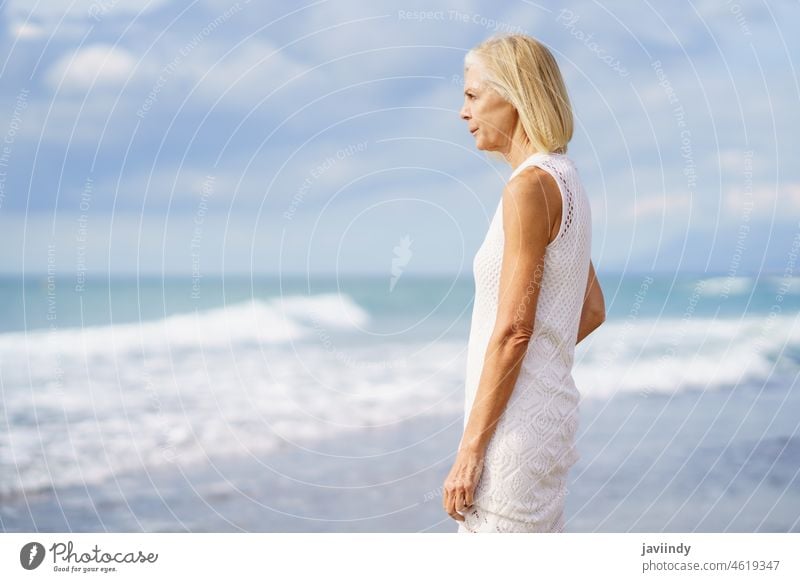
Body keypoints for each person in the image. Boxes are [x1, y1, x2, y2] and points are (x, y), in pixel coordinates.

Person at [443, 33, 606, 533]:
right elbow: (591, 308)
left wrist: (470, 451)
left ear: (514, 95)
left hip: (512, 432)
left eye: (472, 95)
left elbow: (514, 329)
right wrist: (539, 365)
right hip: (544, 417)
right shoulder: (564, 179)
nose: (462, 111)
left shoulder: (529, 188)